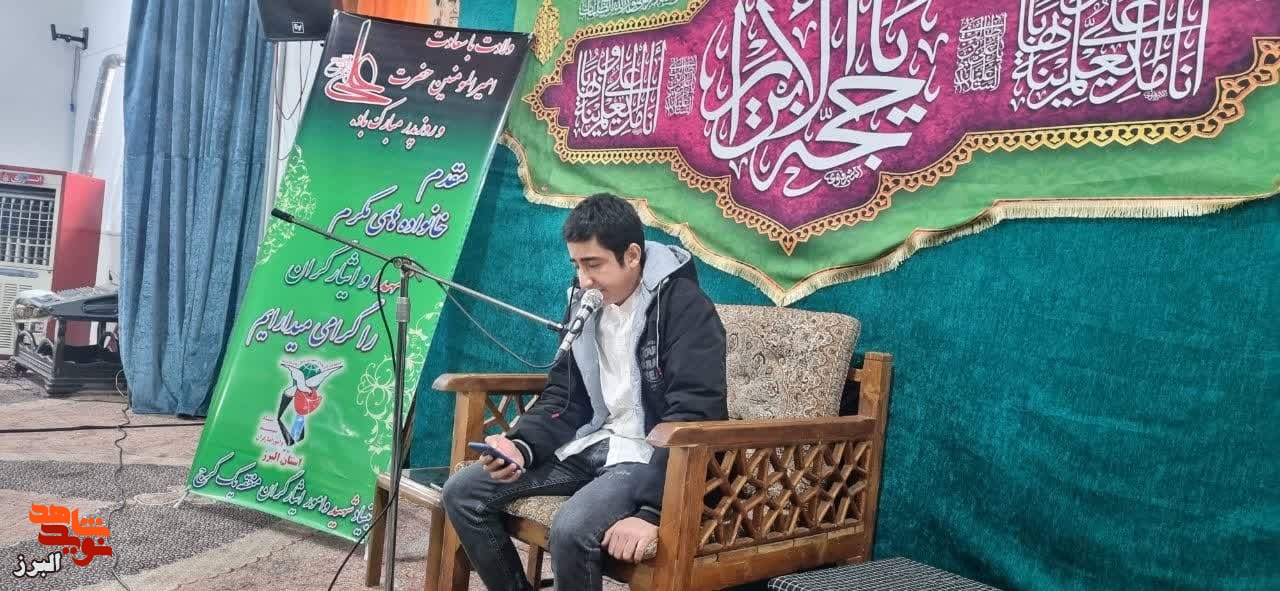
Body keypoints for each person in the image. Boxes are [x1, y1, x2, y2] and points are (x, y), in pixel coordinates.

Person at [441, 193, 728, 591]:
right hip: (592, 443)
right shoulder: (586, 303)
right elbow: (565, 394)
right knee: (462, 492)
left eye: (593, 264)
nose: (583, 279)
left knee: (572, 529)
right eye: (576, 265)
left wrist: (653, 512)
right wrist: (521, 446)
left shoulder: (685, 308)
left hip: (646, 456)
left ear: (632, 255)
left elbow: (696, 414)